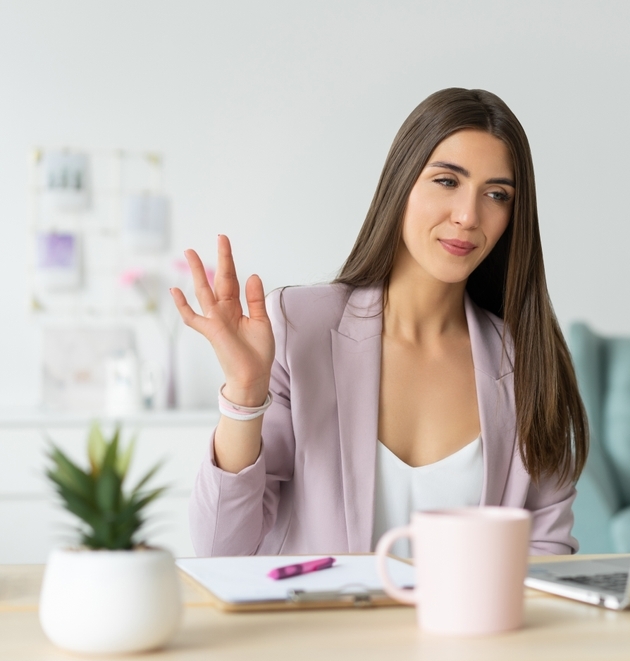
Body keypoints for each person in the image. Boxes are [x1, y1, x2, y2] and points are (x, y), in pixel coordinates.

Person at [172, 88, 588, 557]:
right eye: (447, 181)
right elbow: (220, 549)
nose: (469, 216)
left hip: (472, 629)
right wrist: (245, 396)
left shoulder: (529, 360)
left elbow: (547, 553)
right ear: (401, 183)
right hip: (321, 626)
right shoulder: (299, 329)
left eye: (496, 194)